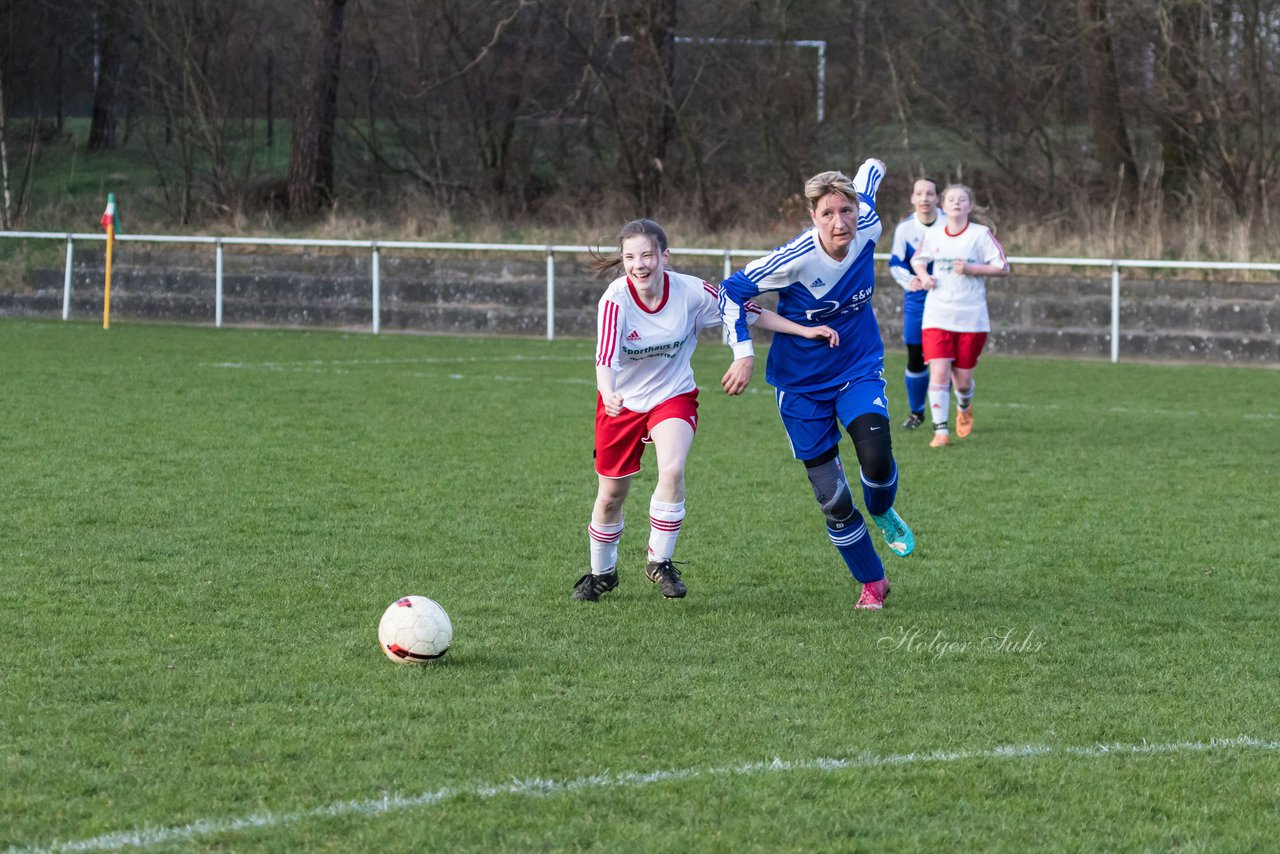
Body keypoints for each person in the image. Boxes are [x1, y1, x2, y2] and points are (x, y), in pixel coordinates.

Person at [575, 219, 840, 602]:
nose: (639, 264)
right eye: (630, 257)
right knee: (611, 495)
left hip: (673, 395)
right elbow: (603, 359)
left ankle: (659, 562)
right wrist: (608, 391)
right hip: (622, 403)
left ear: (665, 256)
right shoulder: (615, 300)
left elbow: (746, 311)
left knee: (672, 467)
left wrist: (803, 331)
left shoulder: (691, 292)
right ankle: (602, 573)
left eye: (647, 255)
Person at [720, 160, 915, 612]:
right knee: (834, 501)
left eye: (845, 210)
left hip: (857, 364)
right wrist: (744, 353)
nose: (839, 221)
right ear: (812, 216)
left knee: (875, 451)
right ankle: (872, 581)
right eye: (827, 213)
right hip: (801, 382)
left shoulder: (866, 223)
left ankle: (883, 509)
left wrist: (873, 166)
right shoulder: (795, 257)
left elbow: (868, 184)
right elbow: (730, 291)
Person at [910, 183, 1011, 448]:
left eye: (962, 199)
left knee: (963, 381)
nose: (956, 202)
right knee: (939, 373)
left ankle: (964, 405)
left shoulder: (980, 234)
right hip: (937, 315)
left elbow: (1002, 267)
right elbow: (918, 260)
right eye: (951, 199)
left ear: (969, 205)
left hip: (971, 317)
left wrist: (971, 268)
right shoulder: (933, 235)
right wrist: (924, 277)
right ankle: (940, 431)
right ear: (943, 206)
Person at [887, 178, 945, 430]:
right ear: (912, 198)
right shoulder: (905, 229)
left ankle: (947, 413)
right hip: (917, 298)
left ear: (937, 198)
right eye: (919, 193)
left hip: (947, 298)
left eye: (929, 193)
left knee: (945, 358)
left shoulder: (950, 224)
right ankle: (917, 413)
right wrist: (911, 280)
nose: (924, 198)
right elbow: (896, 263)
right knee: (915, 356)